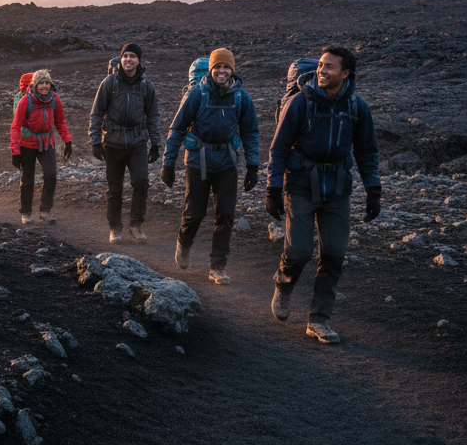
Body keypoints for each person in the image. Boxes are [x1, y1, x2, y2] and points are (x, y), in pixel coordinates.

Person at [266, 45, 381, 344]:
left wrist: (373, 189)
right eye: (320, 65)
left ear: (345, 74)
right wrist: (273, 188)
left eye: (330, 66)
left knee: (333, 255)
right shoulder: (300, 103)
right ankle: (283, 284)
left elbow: (367, 150)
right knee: (300, 251)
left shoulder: (356, 107)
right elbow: (278, 149)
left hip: (338, 189)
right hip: (301, 185)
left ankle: (318, 320)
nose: (322, 70)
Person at [161, 48, 259, 285]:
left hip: (227, 162)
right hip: (197, 161)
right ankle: (184, 243)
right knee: (194, 213)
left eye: (226, 67)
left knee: (225, 214)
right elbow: (177, 129)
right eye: (218, 67)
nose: (222, 71)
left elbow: (250, 131)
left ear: (232, 70)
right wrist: (168, 163)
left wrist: (253, 165)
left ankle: (217, 267)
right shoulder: (197, 94)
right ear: (211, 69)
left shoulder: (240, 97)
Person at [88, 43, 161, 244]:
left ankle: (136, 225)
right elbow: (97, 113)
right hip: (113, 142)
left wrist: (155, 143)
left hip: (137, 142)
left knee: (141, 182)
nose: (128, 59)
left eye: (133, 56)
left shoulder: (147, 86)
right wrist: (95, 141)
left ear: (139, 60)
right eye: (125, 56)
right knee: (114, 187)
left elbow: (153, 115)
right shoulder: (109, 83)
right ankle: (115, 228)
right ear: (120, 59)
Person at [10, 69, 72, 225]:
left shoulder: (54, 99)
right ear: (35, 85)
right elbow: (16, 126)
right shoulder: (26, 101)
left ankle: (45, 211)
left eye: (47, 83)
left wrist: (67, 141)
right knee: (27, 178)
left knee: (51, 175)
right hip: (27, 144)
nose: (44, 86)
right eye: (41, 83)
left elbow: (60, 122)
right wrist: (15, 151)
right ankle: (26, 212)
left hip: (46, 142)